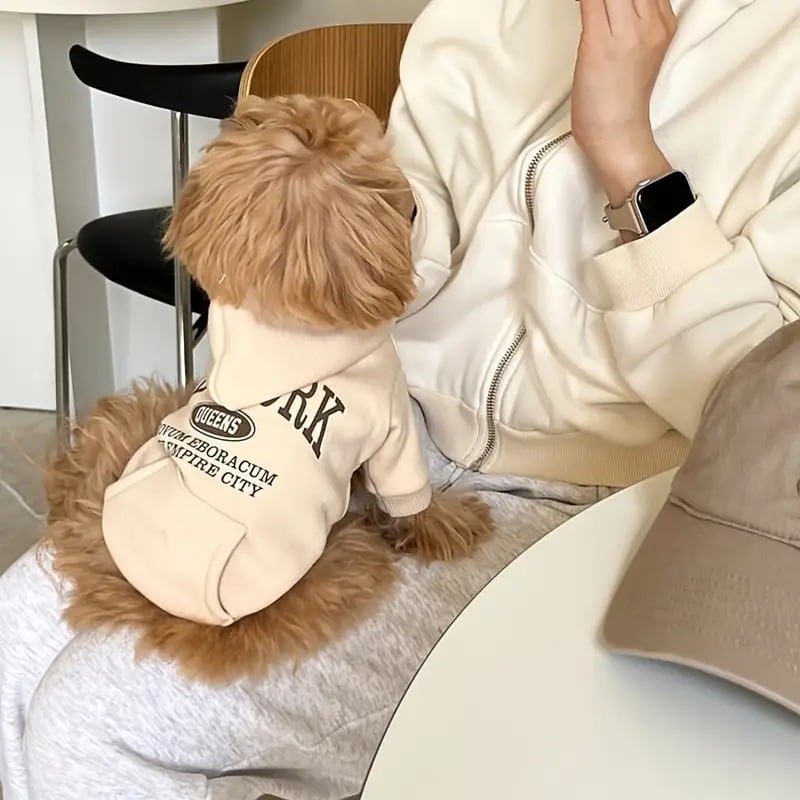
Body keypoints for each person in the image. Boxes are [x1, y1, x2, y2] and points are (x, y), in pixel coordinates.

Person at [0, 1, 797, 798]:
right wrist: (337, 212)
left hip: (584, 512)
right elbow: (422, 230)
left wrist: (630, 159)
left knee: (96, 718)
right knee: (18, 625)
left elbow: (766, 424)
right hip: (367, 418)